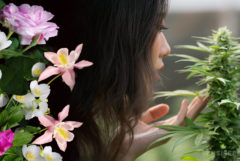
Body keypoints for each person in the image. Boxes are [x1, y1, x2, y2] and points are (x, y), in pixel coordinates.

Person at [41, 0, 209, 161]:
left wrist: (121, 154)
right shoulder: (33, 131)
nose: (166, 49)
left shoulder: (54, 119)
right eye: (158, 27)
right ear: (113, 34)